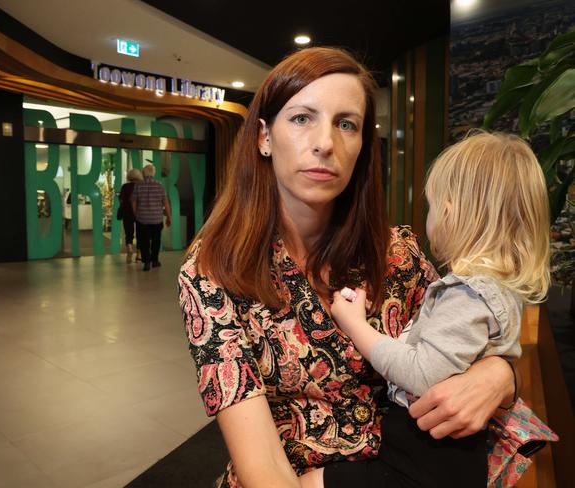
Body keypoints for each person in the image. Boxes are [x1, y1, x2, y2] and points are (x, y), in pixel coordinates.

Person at [178, 48, 516, 488]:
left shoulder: (397, 252)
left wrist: (501, 375)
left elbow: (470, 335)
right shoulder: (214, 270)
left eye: (346, 124)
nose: (324, 143)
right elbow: (262, 468)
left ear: (361, 145)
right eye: (302, 118)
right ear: (263, 137)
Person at [299, 131, 551, 487]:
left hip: (421, 458)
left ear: (448, 212)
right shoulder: (498, 291)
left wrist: (356, 324)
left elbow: (421, 373)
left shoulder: (465, 294)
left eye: (431, 205)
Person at [131, 164, 171, 271]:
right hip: (156, 219)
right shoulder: (160, 185)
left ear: (144, 173)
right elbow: (166, 202)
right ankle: (155, 261)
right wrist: (169, 217)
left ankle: (147, 262)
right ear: (153, 173)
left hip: (142, 219)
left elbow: (134, 202)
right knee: (156, 240)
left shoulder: (138, 185)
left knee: (144, 241)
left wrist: (136, 214)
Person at [119, 168, 143, 263]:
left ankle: (129, 248)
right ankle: (138, 254)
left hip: (127, 212)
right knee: (140, 233)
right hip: (140, 212)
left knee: (129, 232)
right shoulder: (141, 186)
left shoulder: (125, 186)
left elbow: (121, 199)